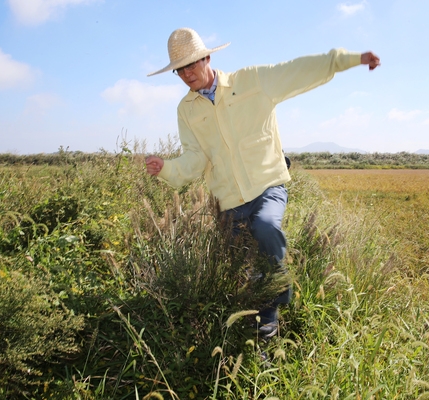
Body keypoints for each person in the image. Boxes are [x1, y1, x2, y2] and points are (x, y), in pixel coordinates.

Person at [145, 27, 380, 338]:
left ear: (207, 57)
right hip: (228, 200)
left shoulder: (252, 82)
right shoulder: (186, 111)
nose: (187, 74)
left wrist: (347, 59)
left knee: (266, 228)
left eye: (192, 64)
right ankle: (256, 325)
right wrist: (166, 169)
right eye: (180, 69)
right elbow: (194, 158)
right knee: (247, 269)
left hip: (267, 185)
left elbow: (296, 71)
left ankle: (272, 314)